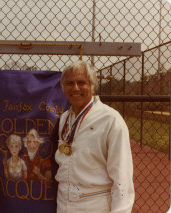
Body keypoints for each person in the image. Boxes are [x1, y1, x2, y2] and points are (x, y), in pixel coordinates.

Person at [55, 61, 135, 212]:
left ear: (93, 86)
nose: (75, 88)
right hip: (64, 204)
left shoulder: (110, 119)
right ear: (63, 88)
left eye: (81, 83)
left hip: (95, 206)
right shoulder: (64, 119)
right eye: (70, 83)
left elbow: (122, 177)